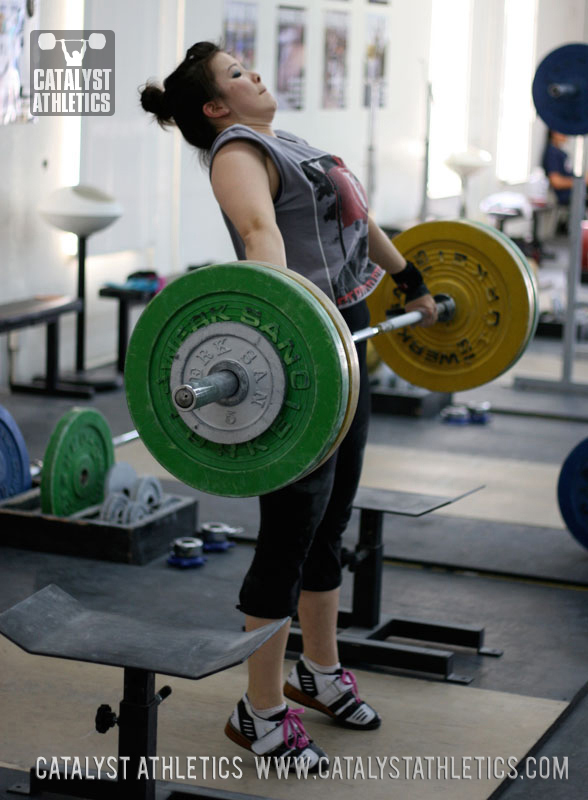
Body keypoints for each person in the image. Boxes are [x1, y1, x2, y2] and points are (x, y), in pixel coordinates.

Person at [140, 41, 437, 771]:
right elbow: (258, 234)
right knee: (289, 533)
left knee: (330, 519)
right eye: (236, 75)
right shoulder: (237, 152)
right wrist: (288, 326)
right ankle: (261, 711)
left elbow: (357, 220)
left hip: (344, 343)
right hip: (298, 362)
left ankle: (321, 671)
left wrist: (409, 278)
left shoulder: (291, 144)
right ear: (216, 108)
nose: (255, 75)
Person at [542, 129, 588, 208]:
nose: (566, 134)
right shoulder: (552, 153)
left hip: (576, 196)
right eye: (563, 131)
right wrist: (580, 182)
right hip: (566, 200)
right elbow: (556, 181)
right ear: (554, 132)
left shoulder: (562, 154)